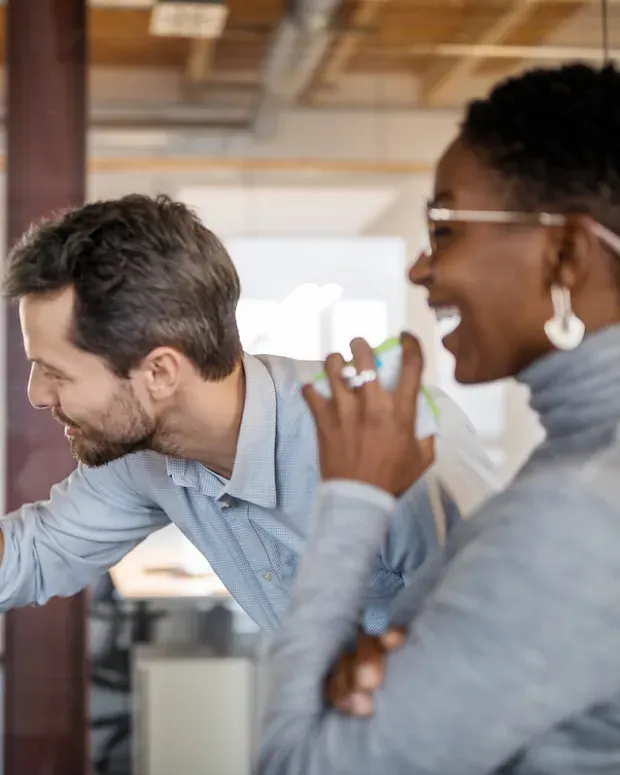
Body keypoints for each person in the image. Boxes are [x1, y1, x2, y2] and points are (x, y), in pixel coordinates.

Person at [257, 62, 620, 774]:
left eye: (446, 229)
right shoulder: (577, 471)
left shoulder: (575, 514)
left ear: (566, 254)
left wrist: (353, 496)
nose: (421, 271)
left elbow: (298, 765)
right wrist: (392, 646)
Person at [0, 194, 495, 635]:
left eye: (55, 372)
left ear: (160, 373)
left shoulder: (395, 434)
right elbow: (33, 556)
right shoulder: (143, 454)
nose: (37, 395)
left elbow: (500, 636)